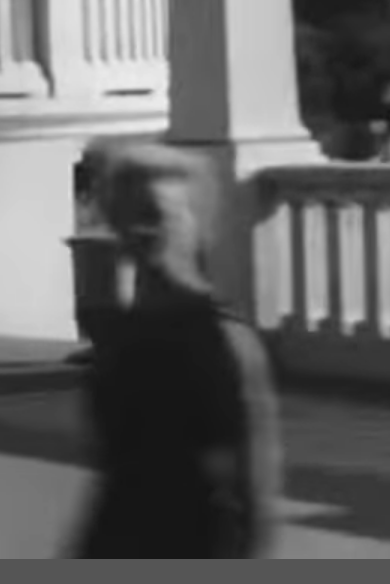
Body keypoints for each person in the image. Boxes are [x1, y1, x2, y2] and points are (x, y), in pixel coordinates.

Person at [69, 141, 283, 559]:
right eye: (130, 218)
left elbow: (253, 497)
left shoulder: (223, 342)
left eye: (157, 215)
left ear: (196, 223)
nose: (143, 231)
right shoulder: (121, 339)